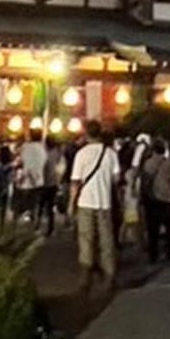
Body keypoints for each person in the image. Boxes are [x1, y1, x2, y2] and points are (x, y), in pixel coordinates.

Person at [68, 121, 120, 294]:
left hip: (85, 202)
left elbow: (75, 182)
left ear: (86, 134)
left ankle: (85, 278)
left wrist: (71, 204)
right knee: (107, 240)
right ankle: (109, 276)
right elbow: (116, 179)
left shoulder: (81, 154)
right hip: (105, 202)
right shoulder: (110, 154)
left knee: (86, 240)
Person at [139, 140, 170, 263]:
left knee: (153, 229)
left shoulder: (148, 163)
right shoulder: (169, 163)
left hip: (151, 199)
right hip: (167, 199)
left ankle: (153, 254)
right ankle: (169, 251)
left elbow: (144, 182)